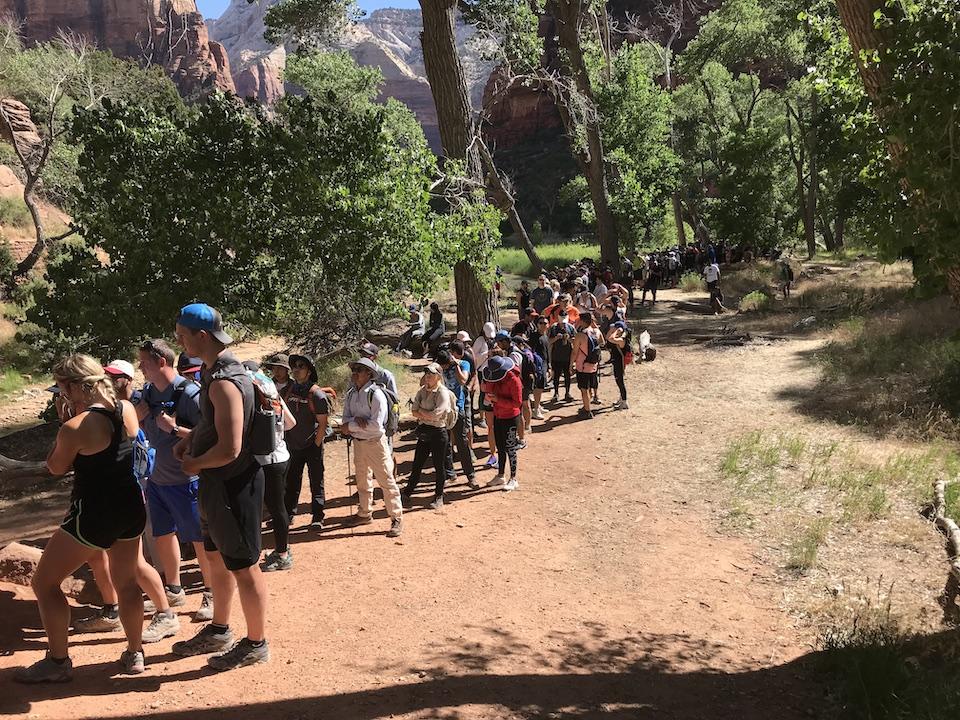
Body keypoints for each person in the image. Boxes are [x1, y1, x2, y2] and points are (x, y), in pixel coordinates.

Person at [15, 355, 148, 682]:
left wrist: (65, 424)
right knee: (128, 583)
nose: (60, 396)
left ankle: (58, 662)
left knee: (44, 583)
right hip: (130, 506)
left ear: (74, 386)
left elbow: (55, 467)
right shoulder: (126, 409)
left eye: (61, 388)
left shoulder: (76, 427)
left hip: (93, 514)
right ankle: (135, 653)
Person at [171, 303, 270, 671]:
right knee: (215, 559)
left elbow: (230, 448)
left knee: (245, 566)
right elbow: (215, 425)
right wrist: (192, 438)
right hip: (217, 486)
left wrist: (194, 462)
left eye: (182, 336)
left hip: (234, 487)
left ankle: (256, 643)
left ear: (202, 336)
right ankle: (219, 629)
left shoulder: (227, 382)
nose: (179, 343)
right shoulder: (213, 371)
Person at [136, 339, 216, 628]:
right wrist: (139, 417)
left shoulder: (190, 394)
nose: (140, 367)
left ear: (161, 362)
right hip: (156, 480)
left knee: (198, 538)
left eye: (144, 361)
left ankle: (211, 593)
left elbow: (210, 435)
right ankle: (173, 589)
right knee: (163, 535)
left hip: (186, 479)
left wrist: (176, 429)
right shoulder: (146, 395)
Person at [242, 360, 297, 572]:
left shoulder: (252, 393)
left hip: (263, 461)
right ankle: (282, 550)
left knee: (267, 509)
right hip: (282, 456)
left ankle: (281, 555)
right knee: (277, 508)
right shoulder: (271, 391)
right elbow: (292, 423)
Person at [340, 358, 403, 537]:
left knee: (386, 480)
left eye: (359, 369)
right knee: (362, 479)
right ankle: (364, 513)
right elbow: (344, 419)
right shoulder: (352, 393)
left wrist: (352, 425)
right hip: (359, 443)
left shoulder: (375, 394)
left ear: (369, 373)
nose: (355, 372)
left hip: (375, 443)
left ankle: (396, 517)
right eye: (354, 369)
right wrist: (356, 423)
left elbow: (376, 425)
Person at [281, 354, 330, 530]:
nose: (296, 369)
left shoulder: (316, 394)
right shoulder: (288, 391)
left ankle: (318, 516)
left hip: (311, 445)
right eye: (294, 366)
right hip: (293, 445)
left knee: (316, 481)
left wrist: (316, 444)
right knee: (292, 481)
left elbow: (323, 423)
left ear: (309, 371)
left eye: (301, 366)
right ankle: (289, 514)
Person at [402, 363, 453, 510]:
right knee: (417, 463)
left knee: (439, 466)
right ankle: (407, 492)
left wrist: (423, 413)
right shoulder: (422, 390)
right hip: (425, 430)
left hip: (438, 433)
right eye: (426, 374)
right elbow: (414, 411)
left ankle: (439, 496)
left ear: (438, 376)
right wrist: (427, 414)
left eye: (431, 374)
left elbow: (436, 415)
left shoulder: (443, 392)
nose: (427, 376)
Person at [438, 348, 478, 490]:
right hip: (442, 410)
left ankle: (470, 475)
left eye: (447, 364)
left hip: (457, 408)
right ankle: (450, 474)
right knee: (445, 443)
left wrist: (455, 366)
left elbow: (462, 381)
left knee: (462, 443)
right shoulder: (439, 366)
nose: (445, 368)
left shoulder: (463, 364)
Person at [480, 356, 522, 491]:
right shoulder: (493, 377)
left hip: (510, 417)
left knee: (511, 448)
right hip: (498, 415)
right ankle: (501, 475)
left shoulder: (514, 381)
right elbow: (488, 389)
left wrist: (498, 400)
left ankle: (513, 478)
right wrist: (488, 394)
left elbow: (517, 403)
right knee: (500, 447)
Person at [571, 311, 603, 418]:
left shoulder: (580, 335)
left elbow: (575, 352)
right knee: (589, 386)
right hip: (593, 365)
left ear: (582, 321)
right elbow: (602, 342)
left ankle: (587, 411)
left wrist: (571, 364)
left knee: (584, 389)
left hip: (582, 365)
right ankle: (586, 405)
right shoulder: (596, 332)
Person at [601, 305, 630, 410]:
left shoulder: (621, 340)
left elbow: (609, 338)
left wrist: (614, 330)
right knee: (618, 380)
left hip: (620, 362)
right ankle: (621, 398)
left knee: (620, 381)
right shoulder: (621, 337)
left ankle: (624, 401)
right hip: (616, 360)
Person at [548, 313, 576, 403]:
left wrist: (569, 339)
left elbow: (575, 341)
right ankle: (556, 393)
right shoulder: (553, 328)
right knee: (556, 376)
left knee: (567, 376)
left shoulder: (571, 328)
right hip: (556, 356)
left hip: (567, 356)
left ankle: (567, 393)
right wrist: (556, 338)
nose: (563, 325)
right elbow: (548, 340)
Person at [530, 317, 550, 420]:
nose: (543, 325)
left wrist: (549, 366)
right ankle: (536, 409)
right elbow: (531, 352)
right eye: (541, 323)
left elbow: (547, 351)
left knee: (541, 387)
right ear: (537, 325)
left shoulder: (545, 336)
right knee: (538, 388)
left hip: (545, 364)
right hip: (538, 366)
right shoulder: (534, 337)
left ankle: (538, 405)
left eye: (545, 323)